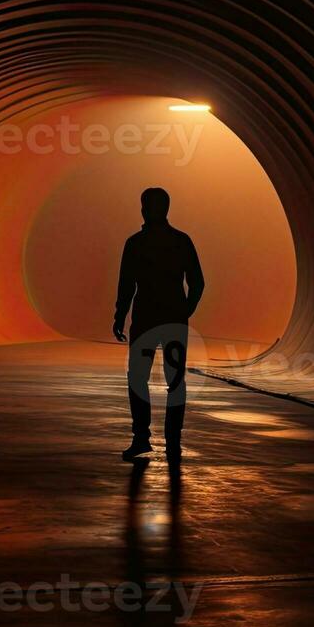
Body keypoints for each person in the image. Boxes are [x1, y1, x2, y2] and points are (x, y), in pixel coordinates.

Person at [113, 187, 204, 461]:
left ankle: (141, 438)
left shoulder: (135, 243)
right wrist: (184, 311)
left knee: (138, 378)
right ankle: (172, 443)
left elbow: (126, 284)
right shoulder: (181, 241)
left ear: (143, 208)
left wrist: (120, 316)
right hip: (174, 321)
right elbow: (197, 282)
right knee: (175, 381)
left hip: (144, 320)